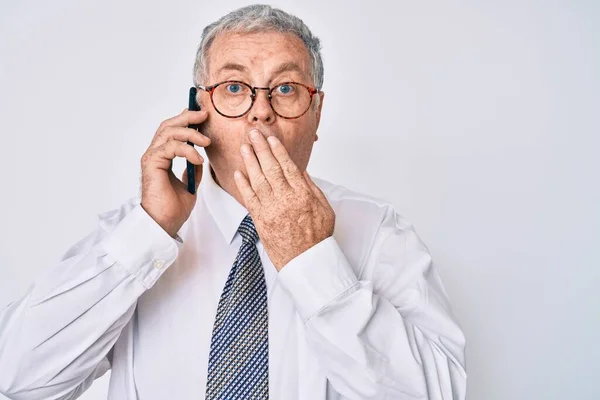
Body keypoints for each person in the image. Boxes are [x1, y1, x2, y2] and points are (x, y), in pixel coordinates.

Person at [0, 4, 466, 400]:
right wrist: (149, 230)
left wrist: (313, 261)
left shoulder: (380, 232)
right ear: (197, 109)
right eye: (235, 88)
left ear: (317, 113)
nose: (261, 110)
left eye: (285, 88)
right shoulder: (139, 233)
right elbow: (17, 379)